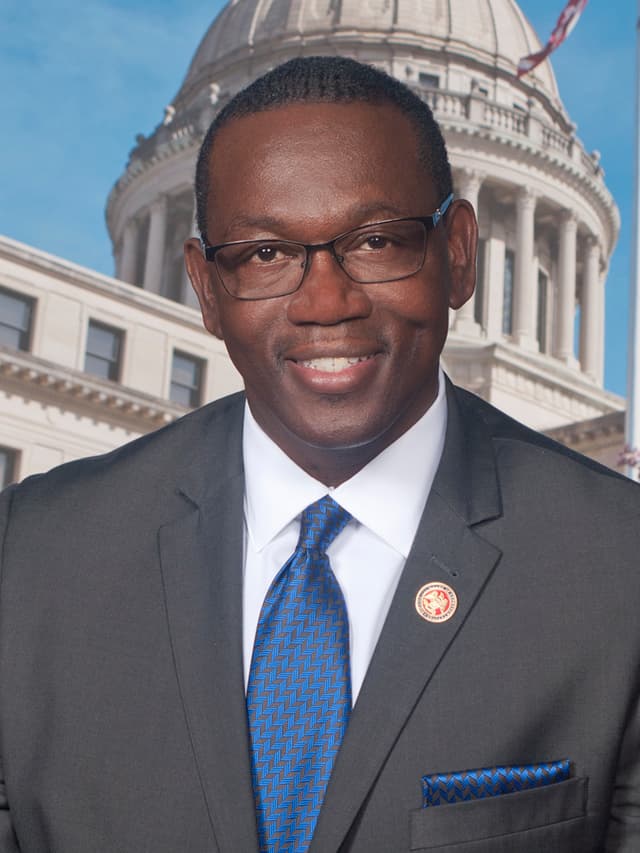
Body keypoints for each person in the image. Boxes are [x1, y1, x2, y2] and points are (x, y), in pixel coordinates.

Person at [0, 55, 638, 853]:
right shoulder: (29, 557)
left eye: (376, 240)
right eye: (264, 253)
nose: (325, 301)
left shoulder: (620, 564)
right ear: (203, 284)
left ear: (461, 254)